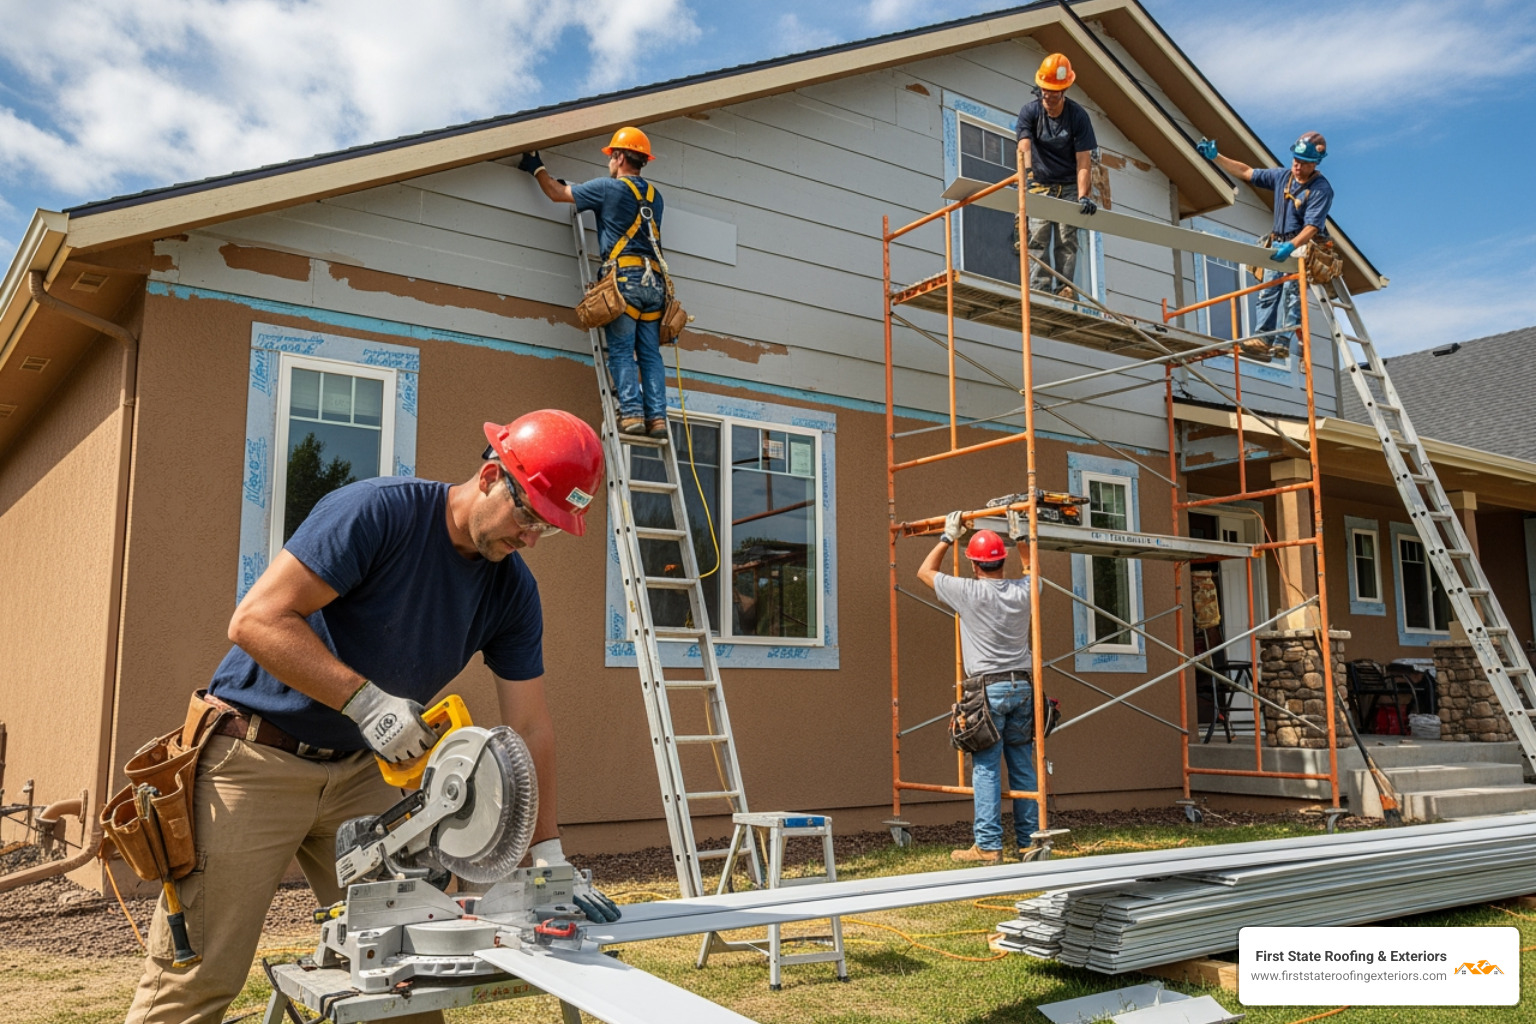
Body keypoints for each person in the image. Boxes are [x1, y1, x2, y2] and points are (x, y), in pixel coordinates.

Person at [125, 410, 604, 1024]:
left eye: (550, 528)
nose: (533, 538)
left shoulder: (511, 591)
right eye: (530, 515)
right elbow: (255, 620)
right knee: (197, 981)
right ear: (491, 477)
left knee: (407, 975)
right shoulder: (378, 513)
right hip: (257, 756)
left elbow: (529, 728)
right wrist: (367, 703)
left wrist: (548, 856)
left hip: (364, 773)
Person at [520, 127, 670, 440]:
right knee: (650, 355)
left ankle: (632, 413)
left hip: (624, 281)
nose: (609, 162)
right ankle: (657, 418)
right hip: (655, 285)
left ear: (619, 157)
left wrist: (536, 166)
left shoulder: (606, 188)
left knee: (621, 350)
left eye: (611, 156)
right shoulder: (656, 198)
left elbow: (557, 193)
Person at [917, 509, 1039, 864]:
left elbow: (924, 572)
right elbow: (1031, 570)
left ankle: (988, 846)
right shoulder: (1023, 591)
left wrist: (947, 537)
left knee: (986, 766)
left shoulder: (967, 591)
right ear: (1003, 560)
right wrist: (1021, 538)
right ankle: (1030, 843)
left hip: (988, 689)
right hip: (1023, 687)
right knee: (1022, 765)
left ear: (973, 564)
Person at [1195, 132, 1334, 357]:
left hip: (1302, 244)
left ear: (1315, 163)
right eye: (1296, 160)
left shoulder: (1320, 189)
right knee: (1268, 292)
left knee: (1292, 293)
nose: (1297, 166)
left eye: (1304, 163)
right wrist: (1216, 157)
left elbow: (1312, 227)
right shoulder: (1282, 177)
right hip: (1278, 241)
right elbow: (1246, 172)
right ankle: (1263, 339)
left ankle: (1282, 341)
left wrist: (1291, 246)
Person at [1015, 53, 1097, 295]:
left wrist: (1083, 196)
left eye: (1054, 94)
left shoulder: (1078, 117)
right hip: (1040, 182)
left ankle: (1064, 290)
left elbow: (1084, 161)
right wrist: (1028, 177)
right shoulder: (1030, 112)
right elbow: (1024, 146)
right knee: (1036, 237)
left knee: (1066, 239)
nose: (1049, 99)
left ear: (1064, 91)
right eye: (1045, 93)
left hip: (1069, 185)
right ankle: (1038, 291)